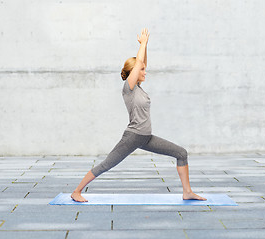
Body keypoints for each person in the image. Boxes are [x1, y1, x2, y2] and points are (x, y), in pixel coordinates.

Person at [71, 28, 206, 202]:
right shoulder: (129, 89)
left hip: (146, 137)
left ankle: (187, 192)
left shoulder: (139, 89)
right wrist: (142, 45)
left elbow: (143, 62)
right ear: (133, 72)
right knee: (107, 165)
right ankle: (76, 191)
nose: (145, 72)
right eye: (141, 70)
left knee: (181, 153)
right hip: (133, 137)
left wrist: (145, 45)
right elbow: (139, 63)